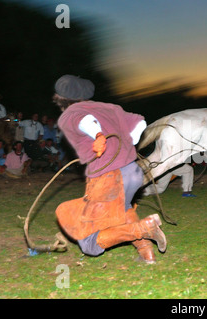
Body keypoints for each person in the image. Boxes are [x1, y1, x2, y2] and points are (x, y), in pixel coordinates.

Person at [52, 74, 166, 264]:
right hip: (133, 172)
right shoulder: (111, 108)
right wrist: (131, 141)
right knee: (124, 209)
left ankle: (145, 228)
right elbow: (140, 122)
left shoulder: (69, 114)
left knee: (89, 243)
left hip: (109, 177)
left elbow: (85, 120)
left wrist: (98, 134)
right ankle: (147, 253)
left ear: (60, 99)